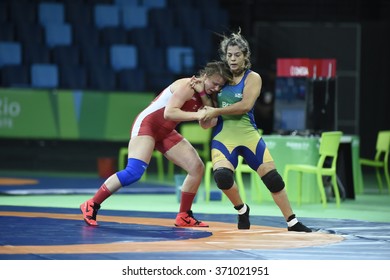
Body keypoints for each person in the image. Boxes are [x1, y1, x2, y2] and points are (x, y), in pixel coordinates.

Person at [80, 61, 232, 227]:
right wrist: (198, 115)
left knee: (196, 168)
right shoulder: (186, 85)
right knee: (133, 172)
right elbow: (169, 113)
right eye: (214, 83)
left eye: (220, 86)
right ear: (205, 76)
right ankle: (92, 204)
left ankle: (184, 215)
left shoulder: (207, 96)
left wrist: (204, 98)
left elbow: (206, 125)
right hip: (148, 126)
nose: (217, 88)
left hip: (165, 132)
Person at [193, 30, 312, 232]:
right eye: (229, 55)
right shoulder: (220, 78)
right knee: (222, 177)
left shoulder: (253, 78)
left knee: (273, 179)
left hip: (248, 136)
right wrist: (203, 94)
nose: (232, 59)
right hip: (224, 137)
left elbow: (245, 106)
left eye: (237, 55)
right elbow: (210, 110)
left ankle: (292, 221)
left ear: (245, 56)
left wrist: (216, 110)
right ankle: (242, 209)